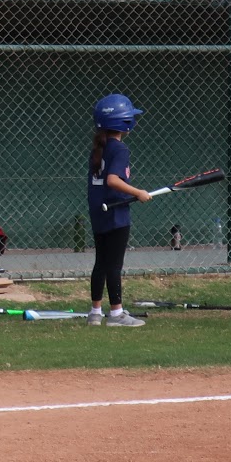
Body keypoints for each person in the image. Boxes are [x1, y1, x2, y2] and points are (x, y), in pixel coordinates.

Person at [87, 93, 150, 327]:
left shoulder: (99, 148)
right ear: (125, 123)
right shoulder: (119, 149)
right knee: (114, 265)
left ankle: (95, 312)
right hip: (115, 215)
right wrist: (138, 192)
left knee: (101, 263)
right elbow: (113, 180)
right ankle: (116, 314)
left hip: (98, 212)